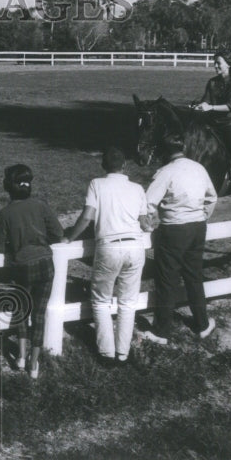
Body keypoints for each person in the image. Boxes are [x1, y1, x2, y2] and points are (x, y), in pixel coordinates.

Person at [62, 147, 151, 365]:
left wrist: (69, 238)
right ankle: (123, 353)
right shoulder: (138, 188)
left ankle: (106, 353)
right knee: (128, 302)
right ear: (125, 166)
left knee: (101, 301)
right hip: (135, 246)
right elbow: (145, 223)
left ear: (103, 166)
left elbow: (86, 218)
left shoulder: (97, 184)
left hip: (109, 247)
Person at [141, 134, 218, 345]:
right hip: (197, 227)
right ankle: (202, 325)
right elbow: (212, 197)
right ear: (183, 148)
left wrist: (147, 224)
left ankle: (161, 331)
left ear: (165, 152)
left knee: (167, 279)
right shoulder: (198, 168)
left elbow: (148, 203)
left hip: (174, 229)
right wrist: (202, 216)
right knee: (194, 275)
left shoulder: (166, 172)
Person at [0, 164, 64, 378]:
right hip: (45, 264)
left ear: (8, 187)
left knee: (22, 311)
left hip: (22, 266)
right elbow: (59, 233)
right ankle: (34, 364)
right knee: (39, 314)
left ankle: (21, 357)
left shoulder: (5, 213)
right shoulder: (41, 206)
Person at [193, 49, 231, 188]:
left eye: (218, 63)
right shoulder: (212, 82)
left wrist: (210, 108)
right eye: (214, 63)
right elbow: (206, 101)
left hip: (229, 121)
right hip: (212, 121)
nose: (215, 66)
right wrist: (199, 106)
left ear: (228, 64)